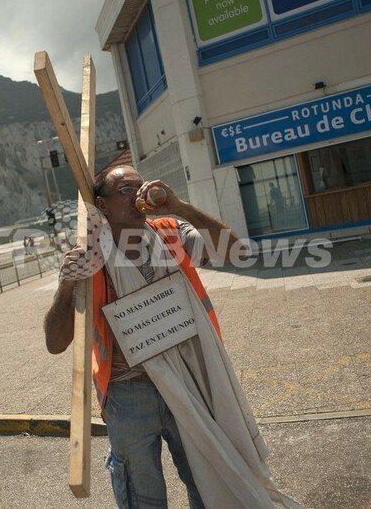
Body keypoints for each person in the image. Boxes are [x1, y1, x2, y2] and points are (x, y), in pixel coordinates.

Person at [44, 165, 301, 508]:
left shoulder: (170, 231)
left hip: (190, 381)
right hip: (130, 393)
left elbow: (236, 251)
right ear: (102, 206)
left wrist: (180, 207)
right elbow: (55, 343)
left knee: (211, 484)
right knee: (142, 496)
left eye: (140, 185)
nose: (138, 194)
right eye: (125, 190)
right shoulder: (91, 260)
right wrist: (68, 283)